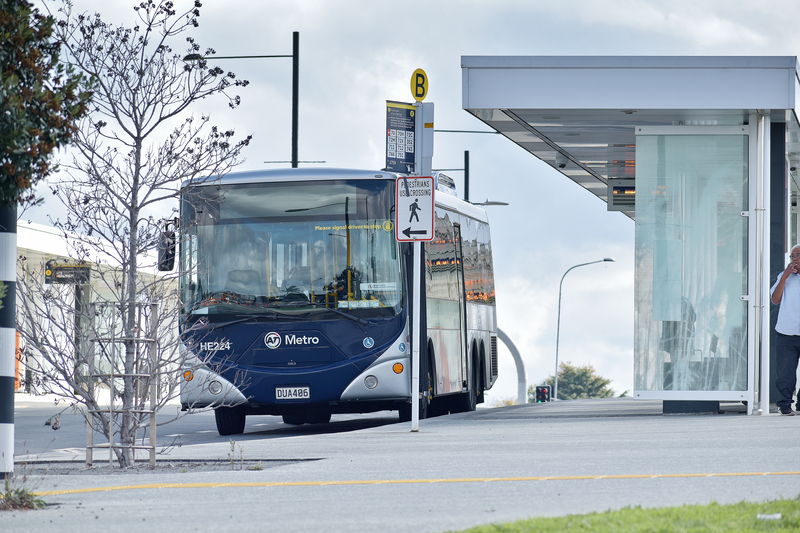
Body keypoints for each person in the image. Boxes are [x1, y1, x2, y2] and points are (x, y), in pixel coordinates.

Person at [770, 244, 800, 416]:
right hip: (787, 332)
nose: (794, 259)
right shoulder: (784, 277)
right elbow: (775, 300)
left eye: (798, 255)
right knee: (785, 372)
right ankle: (785, 404)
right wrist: (785, 277)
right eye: (792, 256)